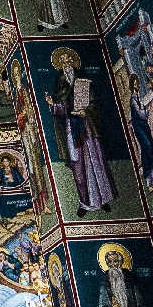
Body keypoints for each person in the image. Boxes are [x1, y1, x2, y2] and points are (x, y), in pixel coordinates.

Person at [49, 48, 117, 215]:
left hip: (87, 128)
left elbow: (94, 104)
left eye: (68, 61)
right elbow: (62, 108)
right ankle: (85, 203)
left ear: (73, 63)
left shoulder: (83, 82)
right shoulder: (60, 83)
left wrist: (85, 112)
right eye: (63, 62)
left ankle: (102, 200)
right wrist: (53, 105)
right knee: (78, 169)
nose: (66, 65)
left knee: (96, 164)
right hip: (72, 131)